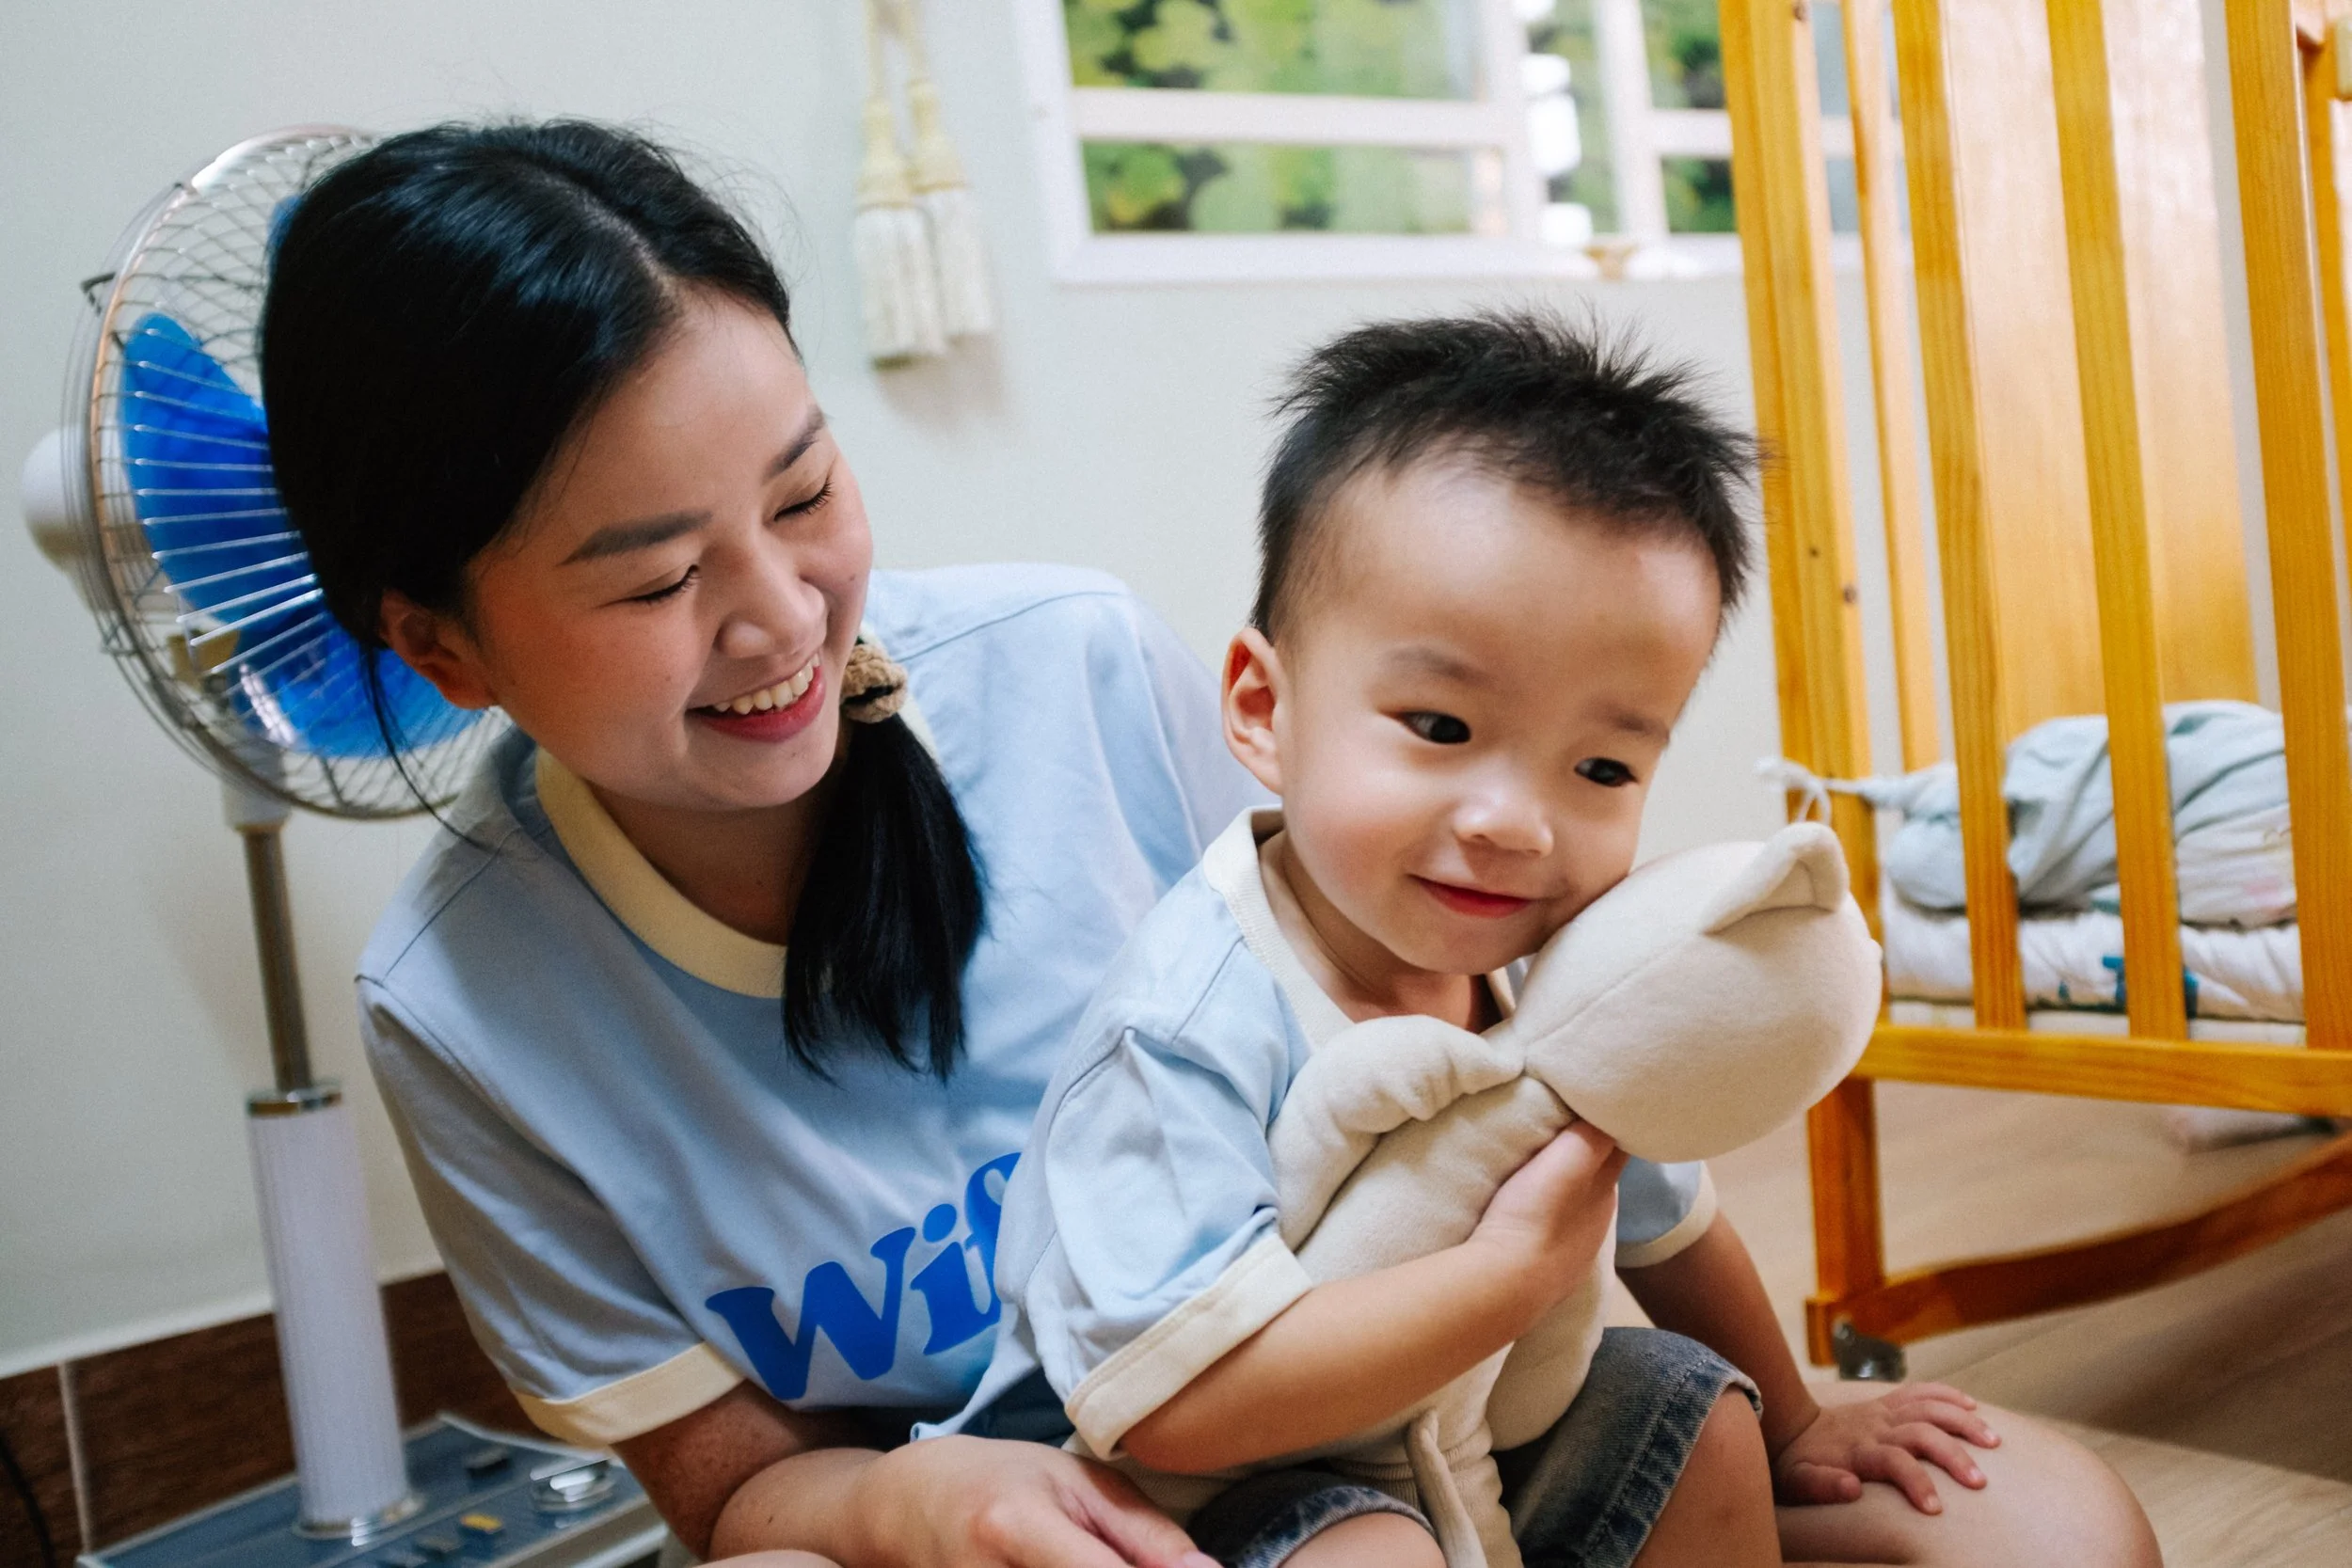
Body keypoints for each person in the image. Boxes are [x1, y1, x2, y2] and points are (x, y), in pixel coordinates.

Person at [262, 119, 2152, 1566]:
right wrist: (917, 1507)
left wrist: (1792, 1397)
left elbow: (1530, 1065)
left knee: (2039, 1517)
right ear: (437, 638)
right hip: (1046, 1520)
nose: (780, 620)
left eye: (804, 492)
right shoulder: (468, 1003)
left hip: (1409, 1402)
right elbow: (731, 1489)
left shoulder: (1070, 668)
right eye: (660, 574)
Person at [941, 315, 2162, 1568]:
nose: (1516, 825)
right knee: (1364, 1550)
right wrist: (1511, 1278)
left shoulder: (1551, 958)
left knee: (1699, 1420)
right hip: (1179, 1498)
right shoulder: (1186, 1023)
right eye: (1439, 723)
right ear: (1264, 707)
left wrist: (1798, 1419)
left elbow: (1667, 1219)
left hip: (1458, 1428)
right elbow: (1177, 1403)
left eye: (1600, 764)